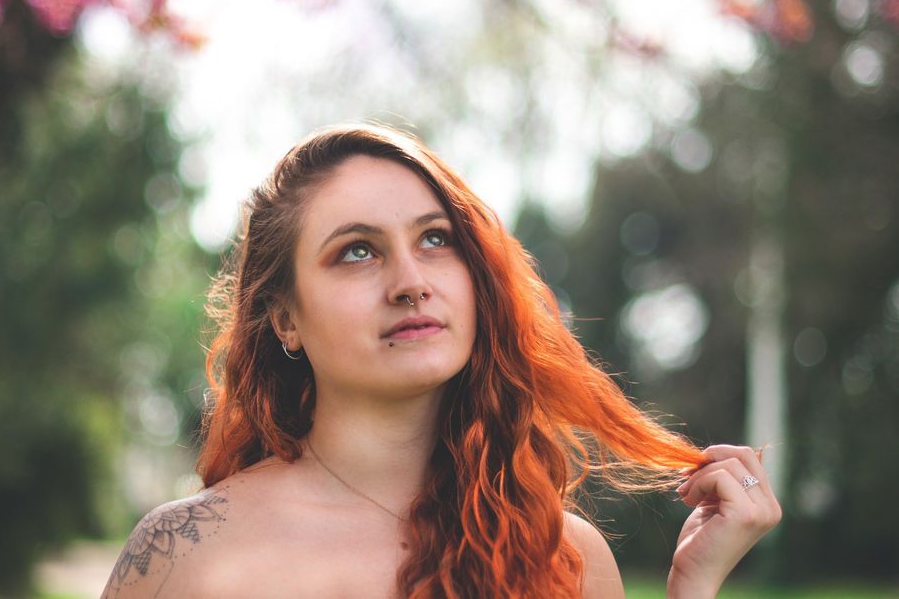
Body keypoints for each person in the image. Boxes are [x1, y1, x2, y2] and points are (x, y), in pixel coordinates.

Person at [100, 124, 781, 599]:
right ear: (284, 317)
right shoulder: (186, 553)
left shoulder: (562, 557)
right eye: (357, 251)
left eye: (434, 239)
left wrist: (693, 587)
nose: (410, 280)